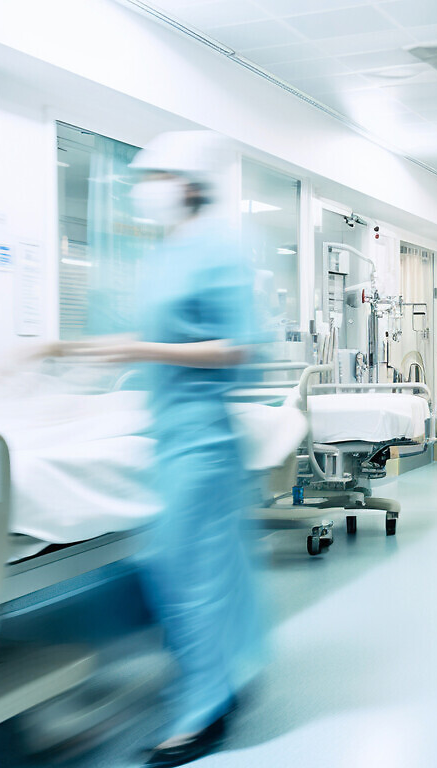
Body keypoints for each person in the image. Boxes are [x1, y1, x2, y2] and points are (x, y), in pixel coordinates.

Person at [50, 131, 263, 767]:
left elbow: (238, 347)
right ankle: (227, 675)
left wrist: (140, 350)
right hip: (166, 429)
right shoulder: (168, 252)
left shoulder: (219, 249)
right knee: (204, 566)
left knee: (183, 568)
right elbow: (152, 334)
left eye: (157, 178)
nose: (145, 192)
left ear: (189, 185)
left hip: (203, 435)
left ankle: (202, 714)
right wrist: (73, 353)